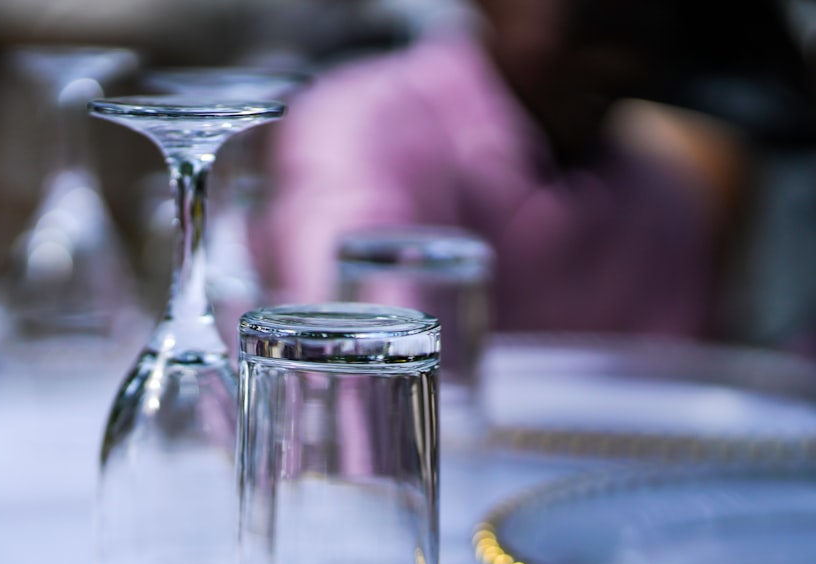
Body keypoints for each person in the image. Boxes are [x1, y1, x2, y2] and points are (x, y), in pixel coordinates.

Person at [253, 0, 743, 338]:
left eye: (646, 30)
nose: (617, 63)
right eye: (589, 22)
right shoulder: (364, 123)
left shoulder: (664, 197)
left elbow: (670, 401)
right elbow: (357, 358)